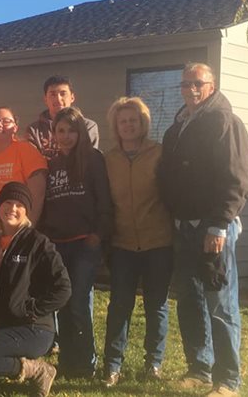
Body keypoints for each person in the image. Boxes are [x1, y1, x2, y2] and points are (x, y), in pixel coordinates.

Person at [158, 63, 248, 397]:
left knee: (220, 303)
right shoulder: (178, 127)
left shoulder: (224, 122)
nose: (190, 89)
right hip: (183, 227)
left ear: (212, 86)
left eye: (197, 83)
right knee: (190, 299)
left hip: (213, 228)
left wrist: (219, 224)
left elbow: (237, 178)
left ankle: (228, 380)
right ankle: (200, 368)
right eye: (185, 84)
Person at [0, 182, 71, 397]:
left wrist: (30, 309)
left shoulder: (38, 243)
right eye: (8, 202)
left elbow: (63, 288)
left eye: (19, 204)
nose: (12, 208)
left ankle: (37, 370)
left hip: (33, 327)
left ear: (26, 211)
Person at [101, 97, 173, 387]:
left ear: (142, 123)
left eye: (133, 120)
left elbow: (173, 193)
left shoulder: (160, 154)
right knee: (120, 305)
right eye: (123, 121)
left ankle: (153, 363)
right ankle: (112, 366)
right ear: (116, 126)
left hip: (159, 241)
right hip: (123, 244)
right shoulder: (108, 160)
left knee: (157, 305)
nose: (128, 125)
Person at [40, 106, 112, 379]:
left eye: (71, 130)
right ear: (54, 133)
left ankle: (86, 362)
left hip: (84, 242)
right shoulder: (51, 163)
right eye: (61, 130)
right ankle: (68, 360)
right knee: (63, 302)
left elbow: (104, 200)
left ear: (80, 132)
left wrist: (98, 234)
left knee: (80, 301)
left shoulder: (93, 159)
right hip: (57, 243)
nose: (66, 136)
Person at [0, 107, 47, 235]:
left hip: (14, 231)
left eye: (6, 121)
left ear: (15, 128)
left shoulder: (26, 150)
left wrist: (27, 231)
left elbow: (38, 194)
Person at [27, 75, 99, 160]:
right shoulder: (34, 130)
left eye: (63, 94)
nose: (58, 99)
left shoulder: (87, 126)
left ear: (72, 97)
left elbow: (87, 159)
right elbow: (32, 163)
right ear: (45, 99)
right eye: (53, 95)